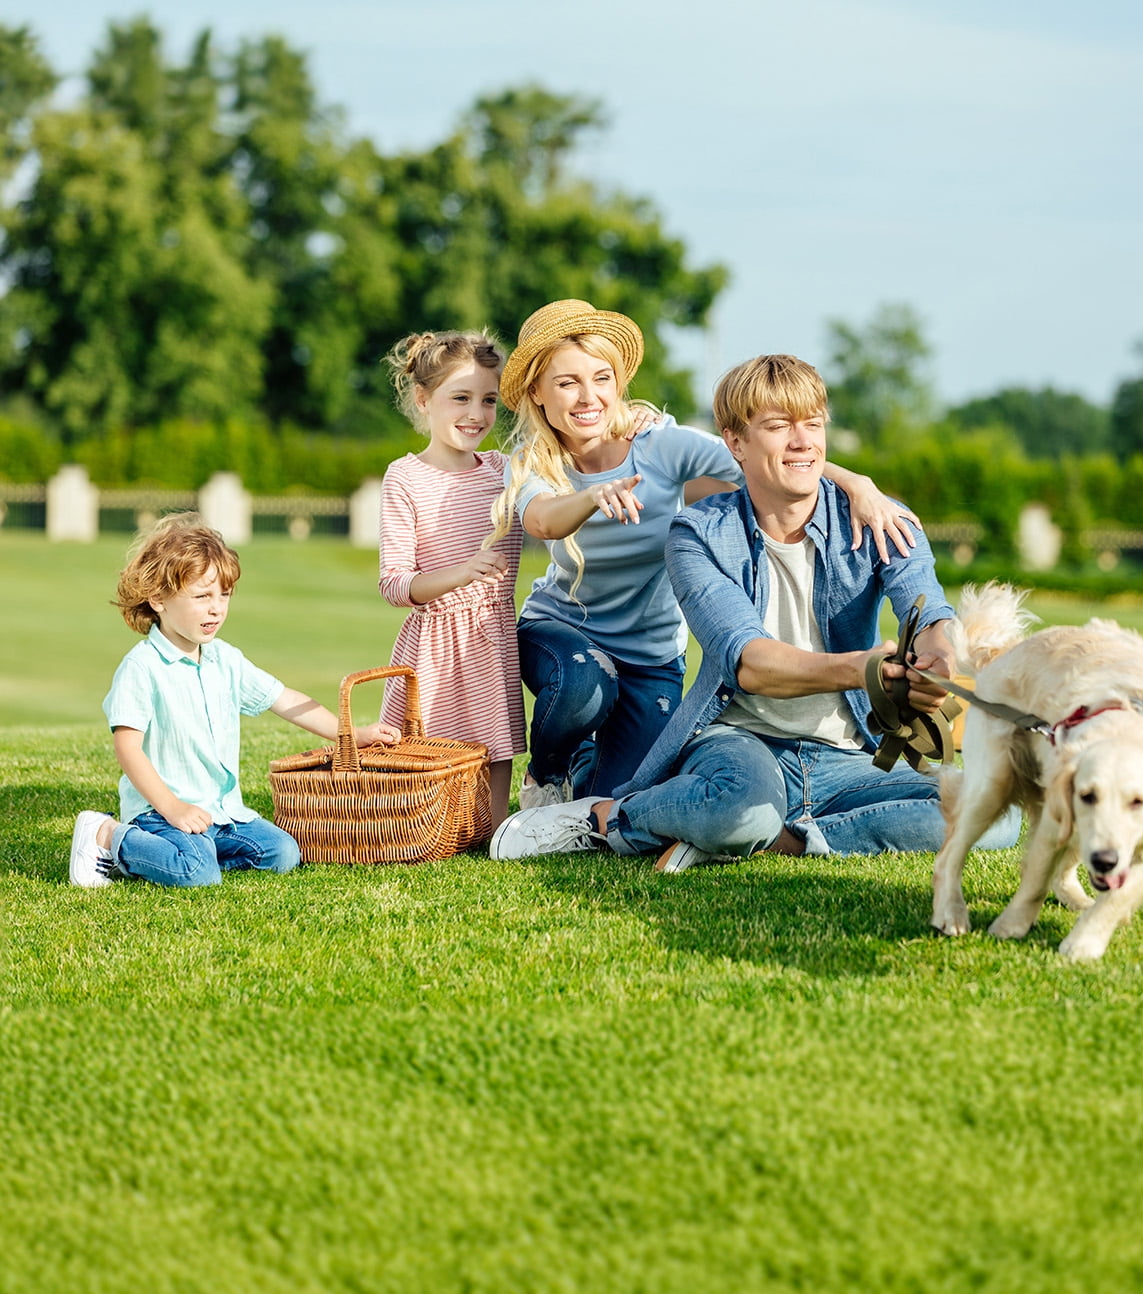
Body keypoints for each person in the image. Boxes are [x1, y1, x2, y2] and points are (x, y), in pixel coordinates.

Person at [491, 353, 1020, 870]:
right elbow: (747, 662)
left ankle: (779, 839)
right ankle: (607, 815)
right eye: (779, 426)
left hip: (845, 754)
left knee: (996, 814)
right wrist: (861, 669)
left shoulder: (881, 518)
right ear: (735, 443)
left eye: (813, 424)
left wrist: (937, 662)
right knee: (732, 805)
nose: (802, 441)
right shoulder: (697, 535)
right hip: (739, 741)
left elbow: (927, 608)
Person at [487, 300, 921, 810]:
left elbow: (767, 461)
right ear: (537, 392)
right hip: (562, 635)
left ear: (618, 383)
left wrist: (857, 483)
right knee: (585, 684)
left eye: (602, 378)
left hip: (650, 657)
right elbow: (541, 520)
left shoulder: (660, 444)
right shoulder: (533, 460)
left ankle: (586, 765)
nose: (589, 396)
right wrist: (592, 495)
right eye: (567, 383)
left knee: (620, 794)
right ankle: (547, 771)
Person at [70, 513, 401, 889]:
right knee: (197, 874)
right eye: (202, 596)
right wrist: (173, 808)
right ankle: (109, 836)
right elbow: (127, 749)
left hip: (221, 814)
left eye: (223, 595)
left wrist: (351, 734)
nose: (217, 608)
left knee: (282, 854)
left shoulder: (225, 659)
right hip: (158, 812)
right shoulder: (141, 667)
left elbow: (286, 700)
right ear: (159, 599)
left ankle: (182, 855)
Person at [379, 330, 522, 818]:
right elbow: (395, 583)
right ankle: (433, 824)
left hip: (493, 630)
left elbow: (566, 451)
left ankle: (495, 824)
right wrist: (460, 574)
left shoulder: (505, 470)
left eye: (488, 400)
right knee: (434, 746)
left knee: (495, 737)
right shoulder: (406, 477)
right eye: (460, 398)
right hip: (436, 639)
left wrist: (638, 419)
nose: (476, 414)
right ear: (423, 399)